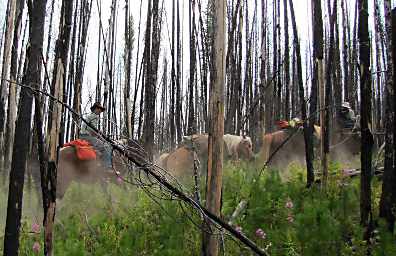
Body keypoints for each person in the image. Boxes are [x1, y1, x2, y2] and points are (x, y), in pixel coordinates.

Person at [80, 102, 113, 169]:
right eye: (99, 109)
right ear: (96, 109)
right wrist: (101, 137)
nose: (100, 111)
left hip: (83, 136)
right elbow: (92, 131)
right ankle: (107, 167)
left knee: (100, 146)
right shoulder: (94, 116)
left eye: (101, 109)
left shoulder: (90, 116)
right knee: (106, 147)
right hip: (87, 137)